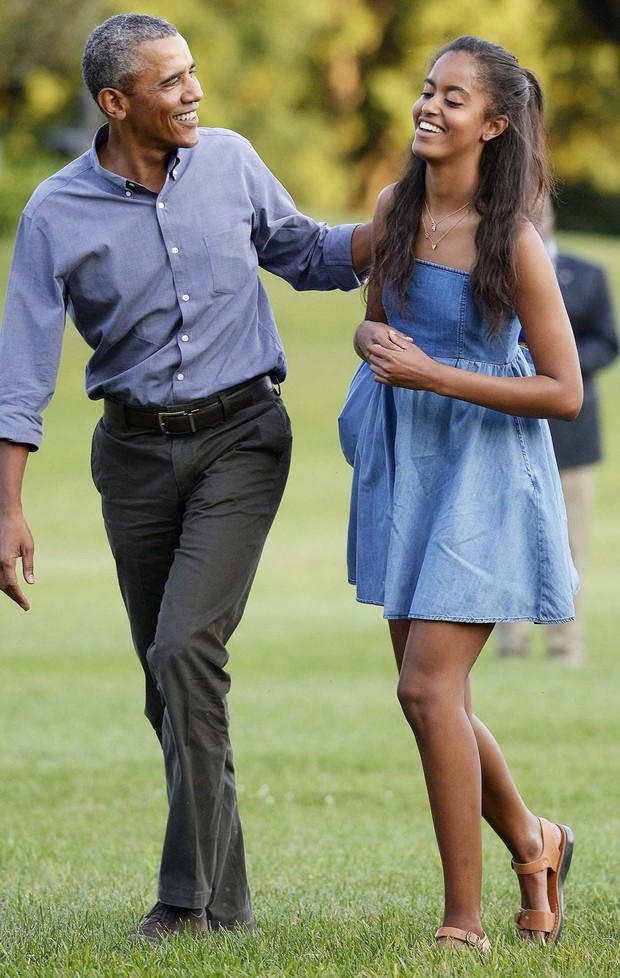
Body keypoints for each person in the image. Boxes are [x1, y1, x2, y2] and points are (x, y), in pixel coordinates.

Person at [0, 13, 371, 944]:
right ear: (116, 102)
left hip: (244, 439)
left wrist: (409, 220)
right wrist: (7, 509)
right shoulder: (55, 212)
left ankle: (182, 903)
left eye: (192, 72)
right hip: (131, 458)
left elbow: (308, 254)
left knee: (184, 651)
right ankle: (231, 908)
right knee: (170, 683)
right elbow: (20, 374)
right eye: (170, 82)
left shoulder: (234, 160)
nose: (193, 91)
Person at [346, 36, 582, 950]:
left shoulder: (511, 239)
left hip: (484, 475)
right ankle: (536, 840)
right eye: (427, 90)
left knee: (427, 689)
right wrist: (375, 349)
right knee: (428, 696)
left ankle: (464, 923)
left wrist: (434, 374)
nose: (429, 108)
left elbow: (563, 390)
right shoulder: (392, 209)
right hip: (408, 471)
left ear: (494, 124)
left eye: (454, 98)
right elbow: (378, 329)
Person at [495, 198, 618, 665]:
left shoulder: (587, 275)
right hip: (506, 425)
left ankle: (567, 644)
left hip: (572, 435)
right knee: (506, 537)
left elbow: (607, 341)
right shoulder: (492, 268)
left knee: (571, 545)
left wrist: (556, 368)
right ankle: (512, 643)